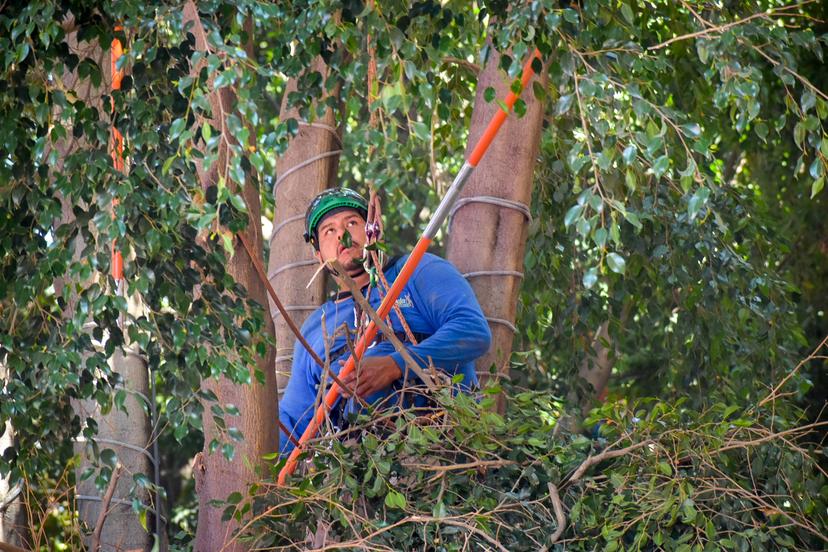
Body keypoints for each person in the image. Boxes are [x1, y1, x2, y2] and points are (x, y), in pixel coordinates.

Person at [278, 187, 492, 455]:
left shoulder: (417, 271)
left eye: (352, 223)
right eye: (328, 231)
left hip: (441, 449)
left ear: (373, 230)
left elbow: (473, 331)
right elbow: (293, 422)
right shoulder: (315, 327)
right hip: (356, 478)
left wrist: (395, 365)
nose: (342, 235)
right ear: (318, 254)